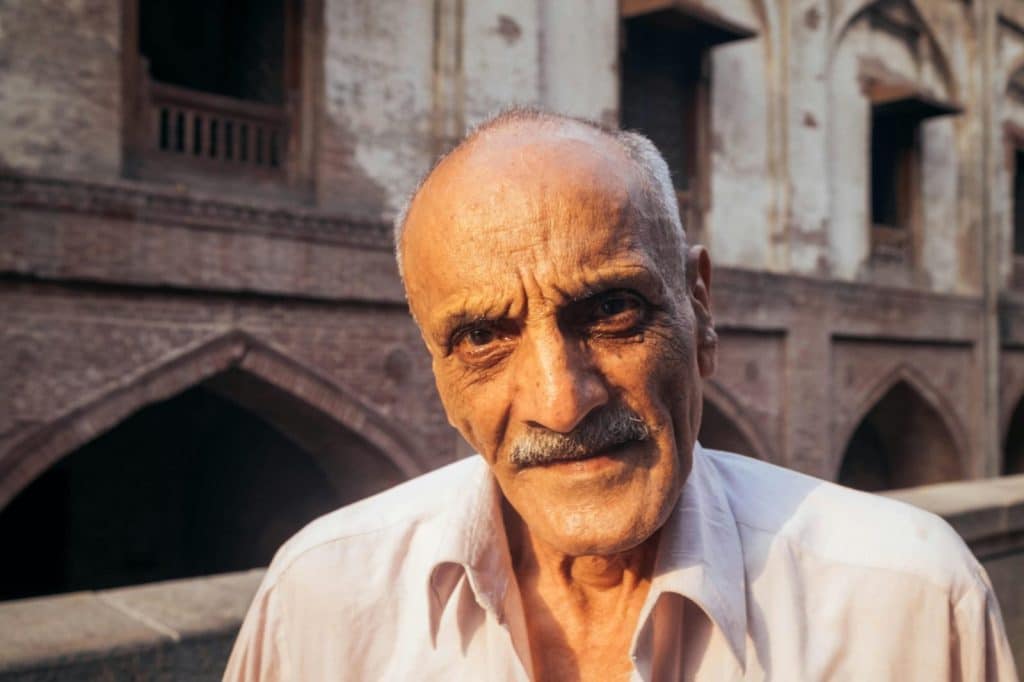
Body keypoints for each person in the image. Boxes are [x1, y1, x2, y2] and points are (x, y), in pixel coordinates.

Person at [223, 109, 1017, 681]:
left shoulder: (905, 603)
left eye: (611, 311)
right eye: (481, 339)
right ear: (435, 363)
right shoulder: (322, 600)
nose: (561, 403)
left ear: (699, 309)